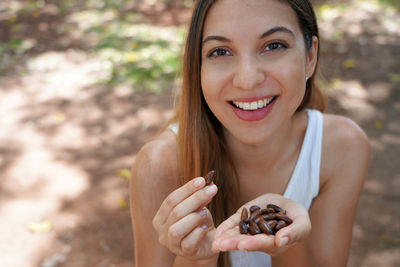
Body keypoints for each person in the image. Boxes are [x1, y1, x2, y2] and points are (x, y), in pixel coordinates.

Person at [129, 0, 371, 266]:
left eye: (274, 45)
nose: (247, 79)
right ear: (197, 68)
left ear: (310, 57)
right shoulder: (159, 165)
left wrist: (286, 240)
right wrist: (197, 259)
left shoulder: (342, 148)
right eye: (220, 51)